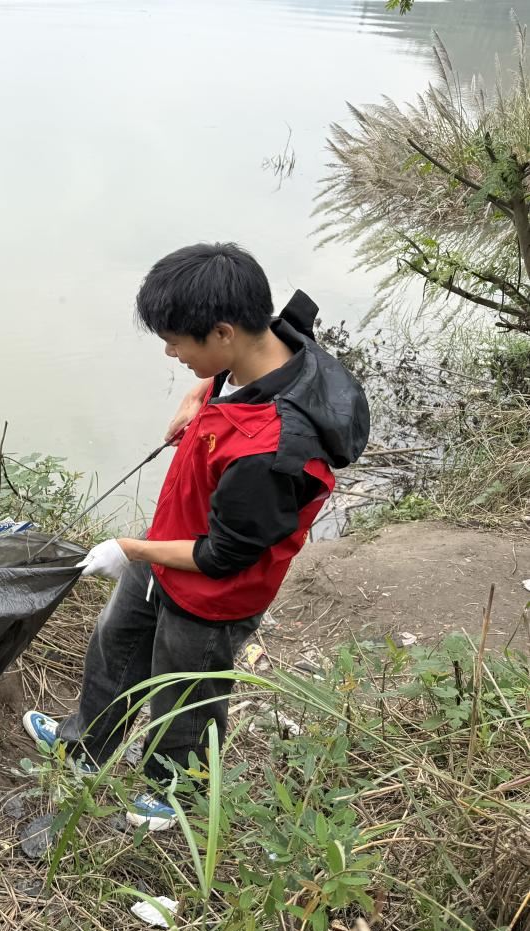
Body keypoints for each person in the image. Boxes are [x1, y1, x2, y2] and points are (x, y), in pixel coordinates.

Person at [22, 242, 369, 830]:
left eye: (178, 342)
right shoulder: (266, 347)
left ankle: (173, 790)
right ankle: (84, 746)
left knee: (188, 696)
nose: (169, 351)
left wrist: (128, 549)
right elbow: (230, 381)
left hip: (213, 591)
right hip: (169, 545)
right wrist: (199, 395)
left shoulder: (272, 452)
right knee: (116, 645)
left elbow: (221, 556)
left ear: (224, 332)